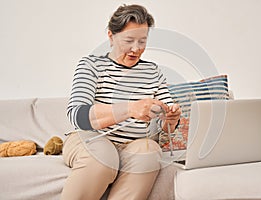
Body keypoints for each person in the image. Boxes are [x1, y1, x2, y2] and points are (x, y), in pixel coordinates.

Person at [61, 4, 181, 200]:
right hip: (91, 138)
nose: (136, 49)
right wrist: (130, 109)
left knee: (150, 150)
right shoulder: (91, 65)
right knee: (103, 158)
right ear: (111, 36)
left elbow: (164, 126)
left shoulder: (153, 71)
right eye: (129, 41)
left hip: (134, 144)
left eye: (142, 41)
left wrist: (171, 117)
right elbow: (77, 115)